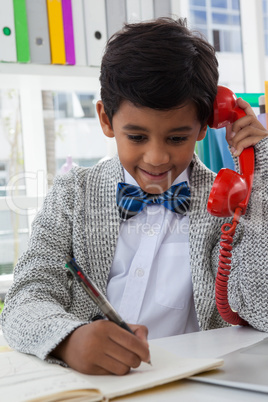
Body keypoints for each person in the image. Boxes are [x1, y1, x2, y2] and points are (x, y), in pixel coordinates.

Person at [1, 18, 268, 376]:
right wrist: (69, 339)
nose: (157, 158)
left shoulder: (231, 207)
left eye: (176, 138)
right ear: (106, 120)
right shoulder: (72, 194)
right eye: (137, 137)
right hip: (92, 385)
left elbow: (261, 307)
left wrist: (260, 174)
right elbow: (25, 296)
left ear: (205, 126)